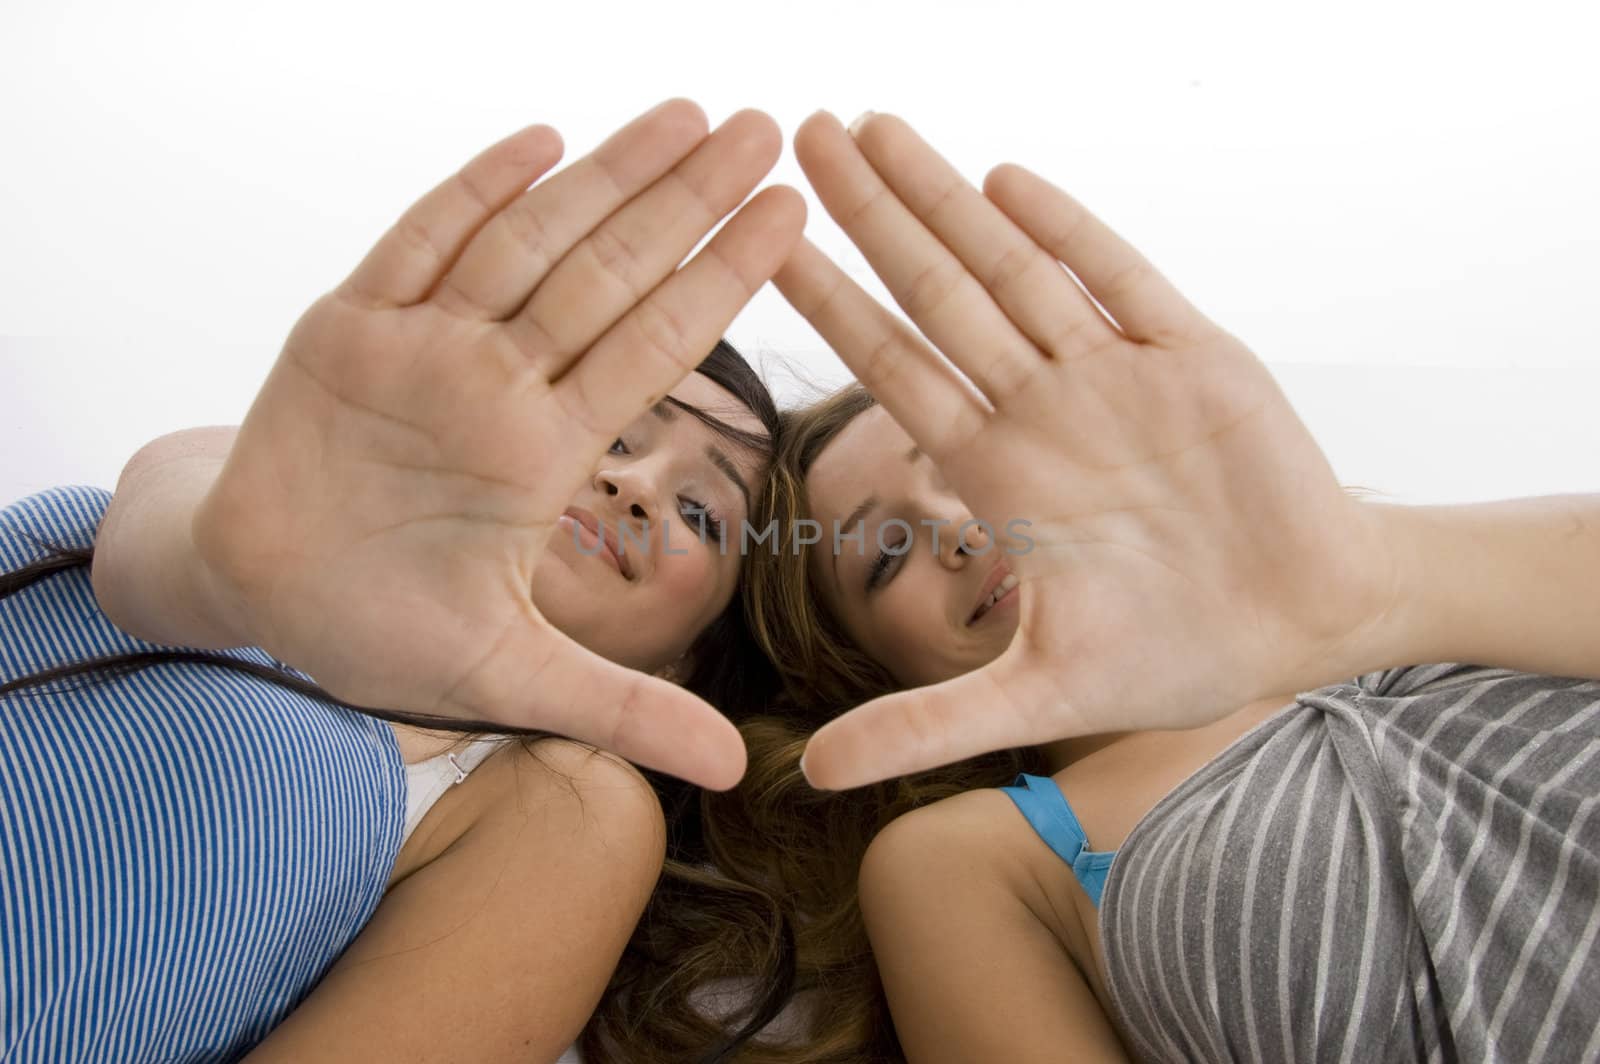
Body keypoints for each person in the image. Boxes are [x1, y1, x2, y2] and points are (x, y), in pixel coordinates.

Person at [721, 110, 1600, 1061]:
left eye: (972, 469)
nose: (960, 530)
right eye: (884, 555)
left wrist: (1371, 588)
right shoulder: (976, 859)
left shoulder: (1428, 595)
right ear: (863, 665)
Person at [0, 99, 810, 1063]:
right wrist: (225, 576)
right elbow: (153, 558)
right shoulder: (251, 491)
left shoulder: (560, 805)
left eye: (701, 515)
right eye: (612, 431)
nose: (632, 485)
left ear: (686, 663)